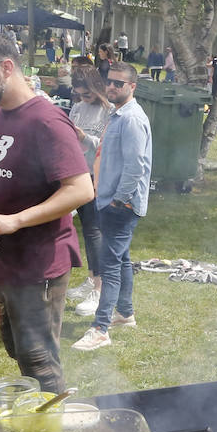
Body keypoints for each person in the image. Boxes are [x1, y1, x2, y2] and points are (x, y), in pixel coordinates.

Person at [0, 32, 93, 392]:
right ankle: (37, 425)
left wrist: (16, 221)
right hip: (3, 262)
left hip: (39, 265)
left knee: (39, 360)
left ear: (7, 67)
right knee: (19, 352)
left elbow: (81, 189)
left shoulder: (46, 121)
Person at [73, 61, 153, 350]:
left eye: (119, 83)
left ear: (132, 86)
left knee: (109, 266)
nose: (112, 87)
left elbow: (136, 166)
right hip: (108, 199)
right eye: (110, 81)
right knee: (120, 259)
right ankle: (125, 313)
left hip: (121, 204)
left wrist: (119, 199)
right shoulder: (116, 114)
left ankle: (101, 328)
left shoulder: (131, 118)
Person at [66, 68, 112, 308]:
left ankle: (100, 288)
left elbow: (108, 147)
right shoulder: (77, 108)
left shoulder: (109, 111)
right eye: (80, 95)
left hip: (98, 178)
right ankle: (93, 277)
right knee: (86, 230)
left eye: (87, 94)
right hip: (78, 175)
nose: (83, 99)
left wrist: (84, 137)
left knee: (95, 232)